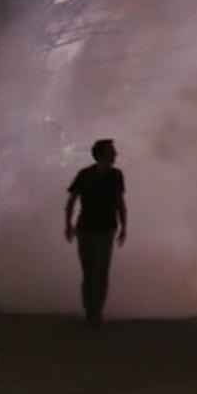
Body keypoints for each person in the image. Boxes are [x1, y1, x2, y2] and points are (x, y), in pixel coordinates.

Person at [64, 138, 127, 325]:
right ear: (101, 155)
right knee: (89, 271)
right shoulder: (84, 175)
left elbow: (120, 203)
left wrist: (124, 227)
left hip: (106, 229)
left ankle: (95, 311)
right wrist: (68, 225)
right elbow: (71, 200)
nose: (115, 154)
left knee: (101, 271)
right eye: (112, 151)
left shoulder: (117, 175)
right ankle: (90, 309)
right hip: (86, 229)